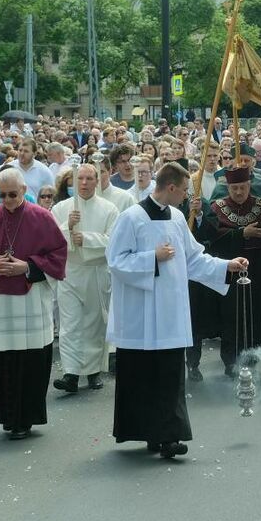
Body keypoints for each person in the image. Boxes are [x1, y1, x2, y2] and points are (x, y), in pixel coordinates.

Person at [106, 161, 248, 459]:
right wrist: (152, 258)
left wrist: (227, 266)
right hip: (141, 315)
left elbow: (193, 259)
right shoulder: (131, 218)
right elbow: (116, 261)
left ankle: (168, 436)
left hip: (170, 313)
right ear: (170, 187)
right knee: (142, 375)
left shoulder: (178, 218)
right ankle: (147, 432)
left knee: (170, 376)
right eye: (184, 190)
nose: (186, 195)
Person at [0, 167, 68, 440]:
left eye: (13, 194)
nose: (8, 200)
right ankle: (7, 417)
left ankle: (25, 419)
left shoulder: (42, 218)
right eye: (3, 195)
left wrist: (28, 267)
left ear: (23, 191)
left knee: (30, 365)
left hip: (31, 302)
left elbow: (58, 253)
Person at [193, 165, 261, 378]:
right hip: (229, 273)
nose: (238, 192)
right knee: (230, 318)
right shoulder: (217, 208)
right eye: (234, 188)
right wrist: (241, 234)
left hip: (258, 271)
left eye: (243, 187)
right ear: (228, 187)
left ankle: (251, 358)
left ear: (250, 185)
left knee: (255, 315)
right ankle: (230, 362)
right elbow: (212, 238)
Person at [50, 163, 119, 395]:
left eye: (90, 179)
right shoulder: (61, 208)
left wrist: (86, 239)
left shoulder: (109, 209)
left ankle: (91, 372)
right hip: (70, 270)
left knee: (93, 323)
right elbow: (49, 238)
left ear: (97, 181)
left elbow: (115, 241)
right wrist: (66, 227)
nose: (85, 183)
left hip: (96, 271)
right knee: (69, 324)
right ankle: (70, 372)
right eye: (80, 179)